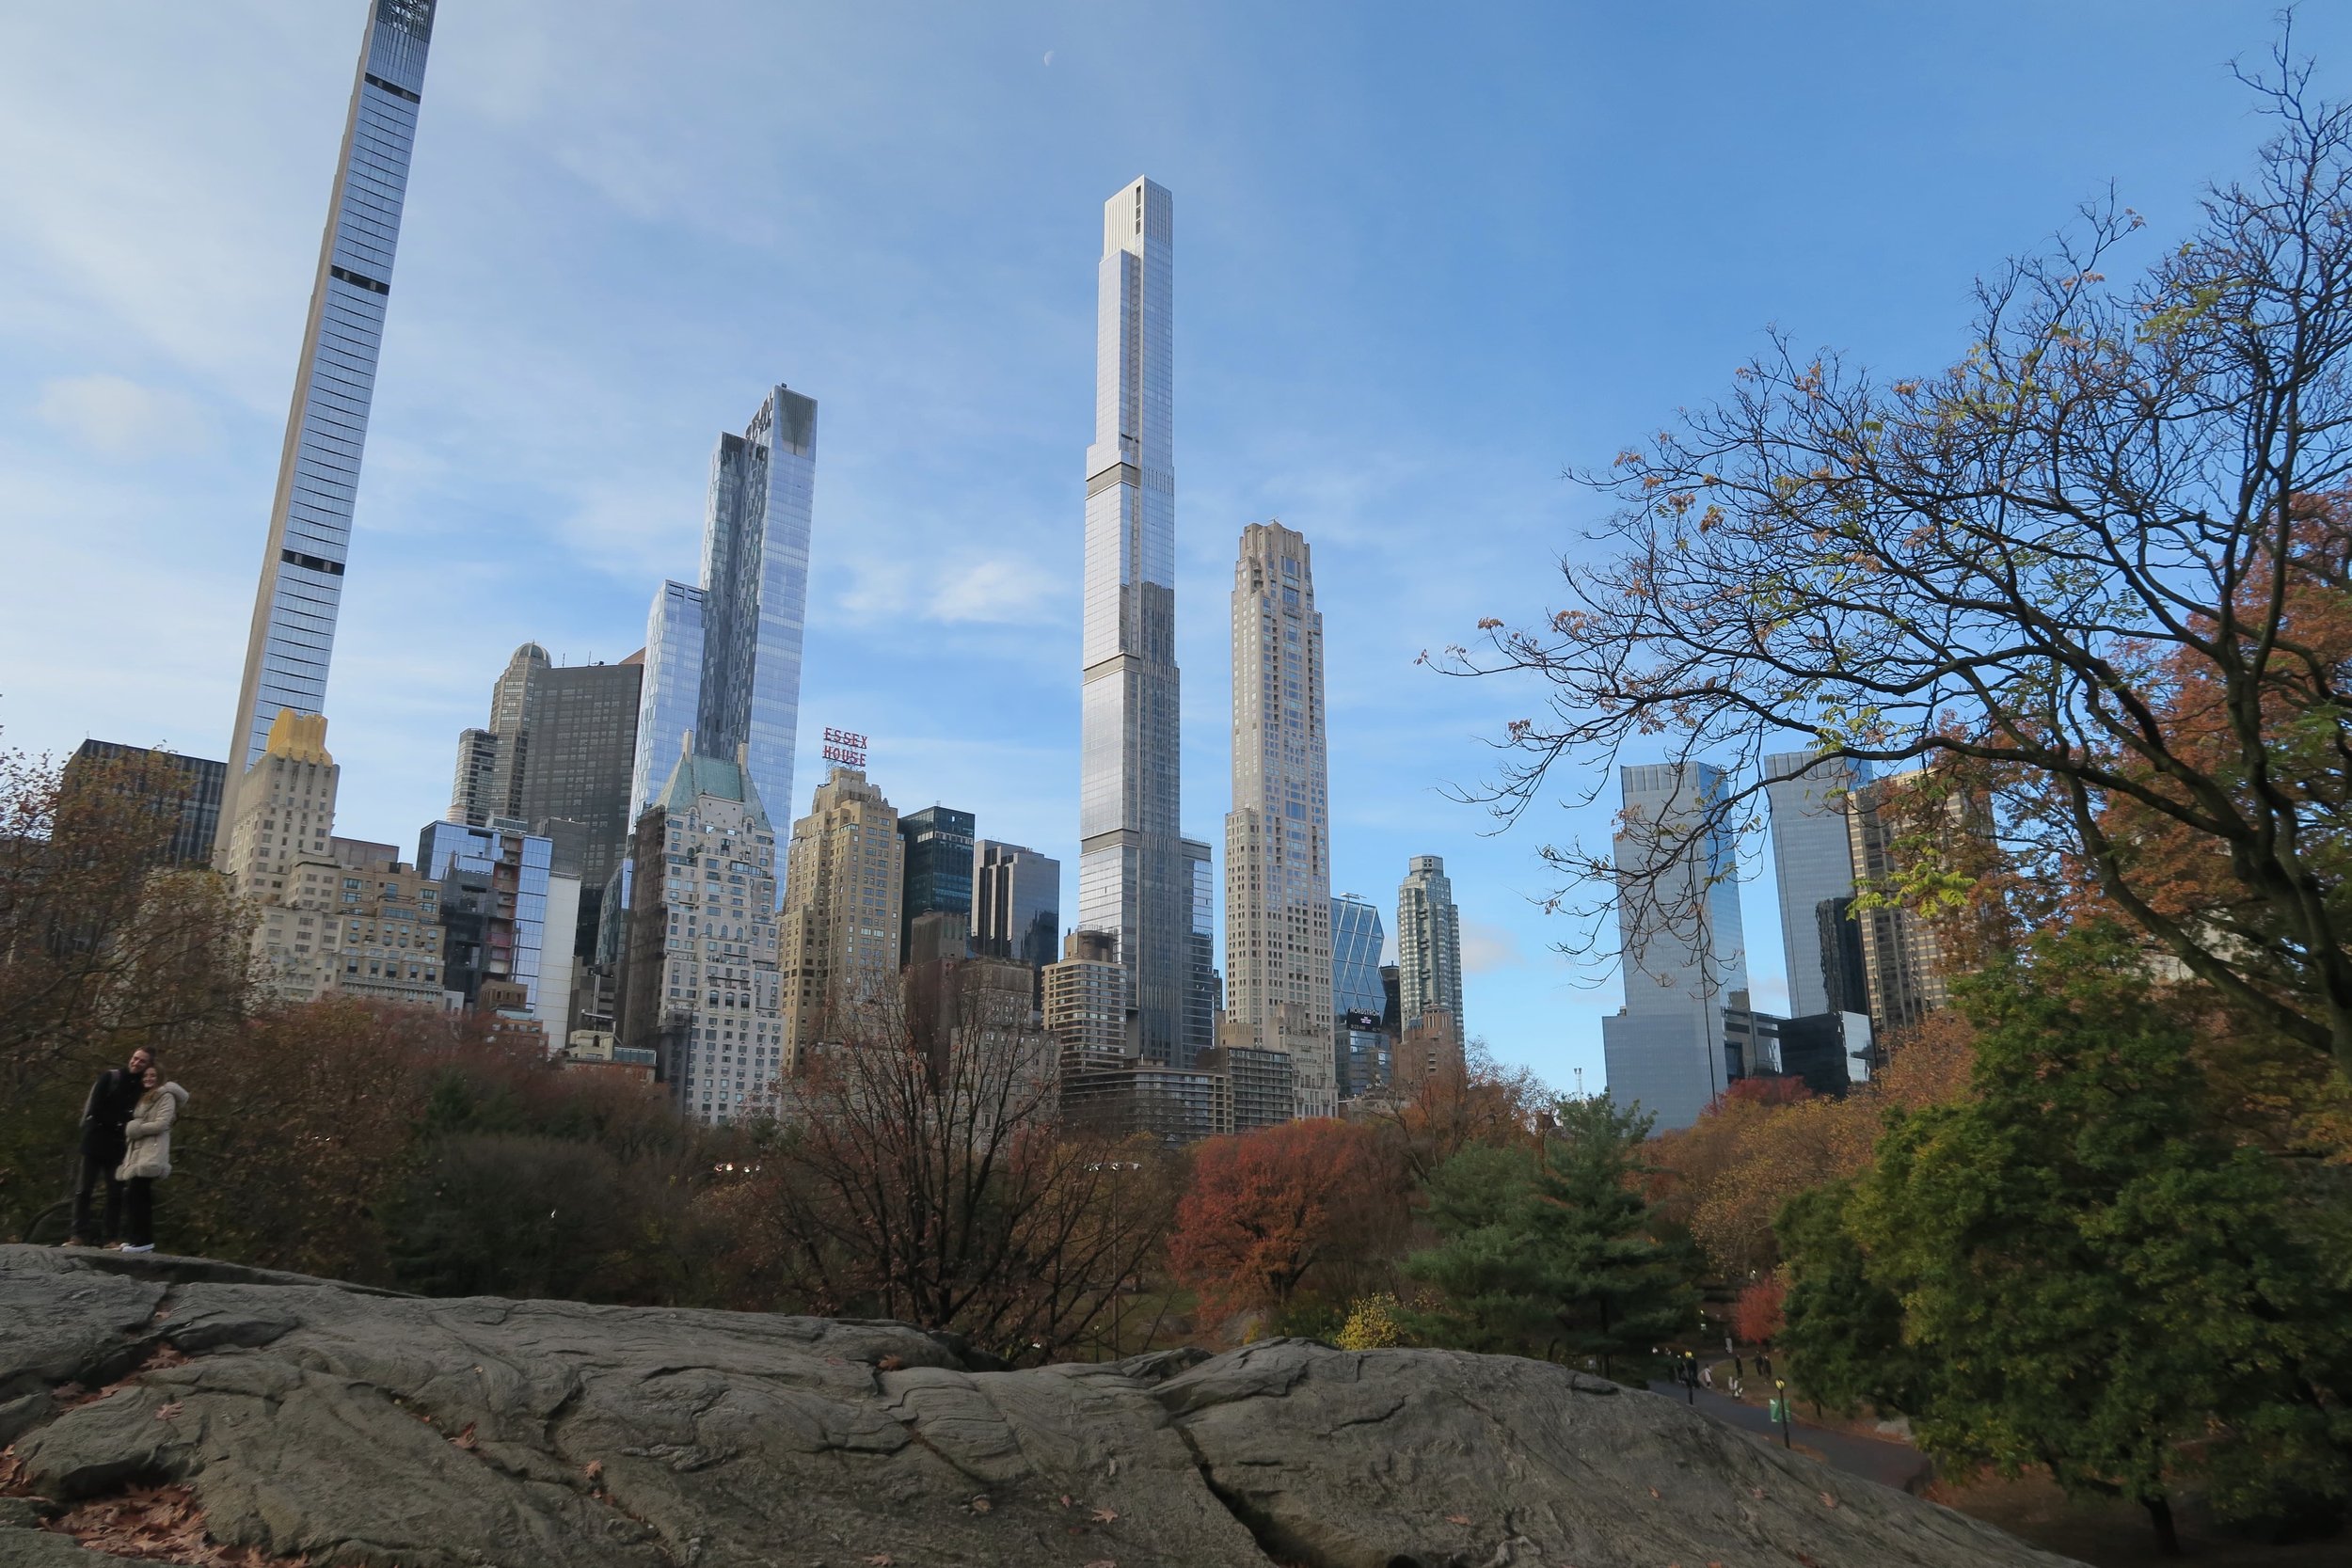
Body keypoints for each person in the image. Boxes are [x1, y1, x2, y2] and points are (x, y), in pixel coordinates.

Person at [66, 1047, 152, 1246]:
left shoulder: (143, 1089)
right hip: (95, 1141)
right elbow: (95, 1109)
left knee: (115, 1193)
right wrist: (120, 1125)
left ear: (148, 1065)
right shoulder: (110, 1077)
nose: (136, 1063)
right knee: (84, 1189)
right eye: (135, 1058)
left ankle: (110, 1238)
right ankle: (78, 1234)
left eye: (142, 1061)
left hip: (120, 1147)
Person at [114, 1066, 187, 1255]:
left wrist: (137, 1128)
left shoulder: (166, 1096)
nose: (148, 1078)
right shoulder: (145, 1096)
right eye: (146, 1075)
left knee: (139, 1195)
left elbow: (162, 1123)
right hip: (138, 1152)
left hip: (151, 1151)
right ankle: (136, 1239)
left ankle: (143, 1241)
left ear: (160, 1077)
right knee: (133, 1196)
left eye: (153, 1075)